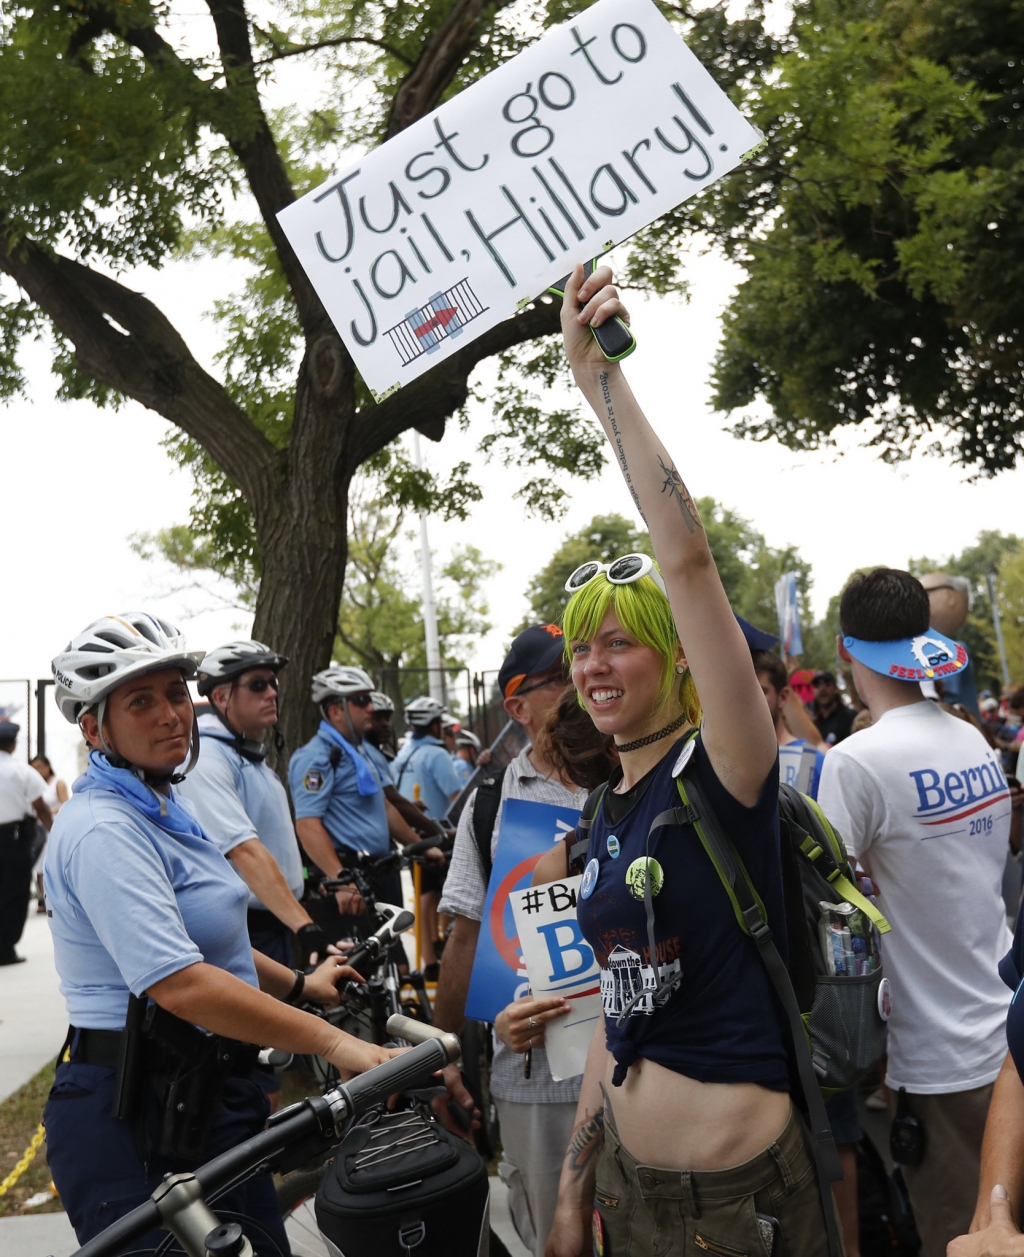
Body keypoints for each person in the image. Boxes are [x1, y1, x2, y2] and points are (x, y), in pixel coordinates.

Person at [541, 265, 832, 1257]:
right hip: (631, 1197)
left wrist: (601, 387)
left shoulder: (724, 770)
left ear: (674, 655)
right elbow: (615, 1015)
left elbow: (686, 557)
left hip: (738, 1211)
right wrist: (571, 1190)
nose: (593, 664)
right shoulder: (601, 812)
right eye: (580, 647)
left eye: (617, 641)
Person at [43, 612, 397, 1250]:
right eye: (141, 701)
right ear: (94, 727)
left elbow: (208, 939)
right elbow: (182, 984)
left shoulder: (160, 805)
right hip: (133, 1113)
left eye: (176, 694)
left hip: (200, 1093)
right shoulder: (105, 830)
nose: (170, 714)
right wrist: (340, 1045)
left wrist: (300, 985)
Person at [818, 568, 1013, 1257]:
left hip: (940, 1061)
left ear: (847, 650)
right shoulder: (972, 740)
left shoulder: (854, 762)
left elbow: (827, 911)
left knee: (962, 1238)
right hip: (1008, 1030)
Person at [434, 623, 587, 1257]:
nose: (581, 679)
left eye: (580, 661)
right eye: (560, 676)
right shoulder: (491, 803)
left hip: (644, 1062)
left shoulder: (638, 777)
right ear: (517, 707)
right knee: (555, 1235)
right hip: (536, 1076)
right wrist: (440, 1058)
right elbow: (465, 938)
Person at [752, 649, 862, 1256]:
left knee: (836, 1130)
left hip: (815, 970)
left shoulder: (814, 762)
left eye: (760, 686)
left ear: (778, 694)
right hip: (760, 990)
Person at [175, 641, 331, 982]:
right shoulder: (208, 761)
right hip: (250, 931)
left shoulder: (250, 760)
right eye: (258, 684)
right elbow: (244, 852)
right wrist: (305, 925)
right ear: (221, 698)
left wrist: (308, 878)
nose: (272, 692)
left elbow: (271, 839)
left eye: (273, 683)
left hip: (277, 924)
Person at [288, 667, 440, 932]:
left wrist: (420, 845)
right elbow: (307, 824)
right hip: (351, 877)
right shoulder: (317, 756)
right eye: (361, 700)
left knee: (395, 967)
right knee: (363, 970)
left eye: (369, 699)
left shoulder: (357, 752)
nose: (370, 707)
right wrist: (341, 880)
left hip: (381, 871)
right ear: (335, 711)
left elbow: (383, 806)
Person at [392, 696, 464, 972]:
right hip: (440, 835)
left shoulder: (403, 755)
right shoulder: (436, 754)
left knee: (425, 895)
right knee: (441, 896)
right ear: (434, 726)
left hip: (410, 835)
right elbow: (459, 799)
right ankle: (438, 952)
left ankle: (430, 955)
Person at [0, 722, 52, 964]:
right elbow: (40, 806)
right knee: (15, 891)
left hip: (13, 836)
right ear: (13, 744)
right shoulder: (22, 770)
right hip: (14, 838)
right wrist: (56, 832)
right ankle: (5, 947)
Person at [753, 650, 826, 796]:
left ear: (782, 697)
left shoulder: (810, 759)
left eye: (761, 691)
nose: (750, 699)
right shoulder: (727, 758)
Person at [28, 752, 67, 914]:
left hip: (54, 826)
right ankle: (43, 899)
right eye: (33, 768)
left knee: (52, 863)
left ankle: (56, 899)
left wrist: (48, 812)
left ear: (48, 767)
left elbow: (65, 802)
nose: (37, 771)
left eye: (39, 767)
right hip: (39, 829)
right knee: (39, 867)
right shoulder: (32, 784)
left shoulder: (58, 783)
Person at [812, 669, 856, 745]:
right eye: (817, 685)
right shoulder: (812, 722)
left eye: (827, 683)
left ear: (836, 688)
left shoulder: (850, 717)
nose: (822, 689)